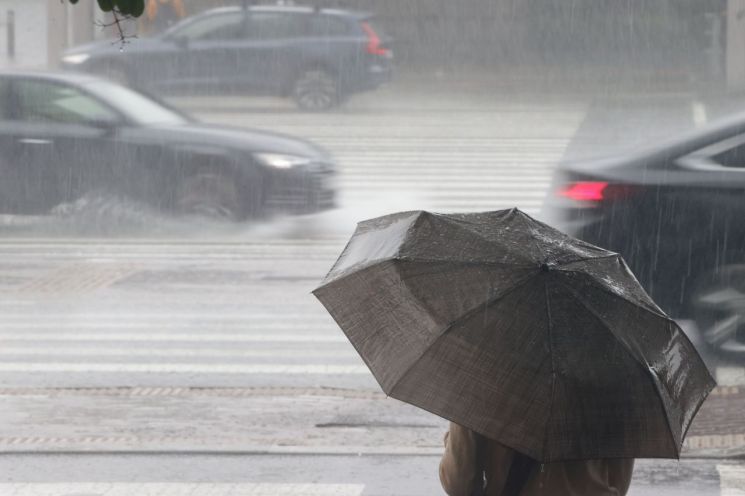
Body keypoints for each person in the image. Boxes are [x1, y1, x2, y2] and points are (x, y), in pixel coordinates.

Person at [439, 422, 635, 496]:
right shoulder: (614, 371)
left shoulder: (489, 369)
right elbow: (618, 482)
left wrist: (457, 430)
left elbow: (460, 484)